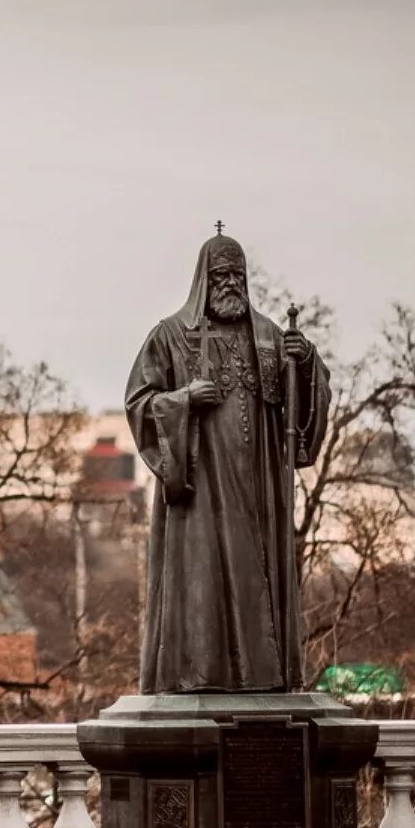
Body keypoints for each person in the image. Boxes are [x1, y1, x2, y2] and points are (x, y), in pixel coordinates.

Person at [125, 232, 327, 694]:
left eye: (238, 275)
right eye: (221, 276)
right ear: (203, 280)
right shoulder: (171, 335)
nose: (231, 284)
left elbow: (301, 410)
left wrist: (307, 362)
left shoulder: (270, 338)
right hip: (202, 495)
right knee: (202, 585)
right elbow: (140, 402)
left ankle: (263, 677)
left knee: (260, 581)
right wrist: (183, 400)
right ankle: (198, 675)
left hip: (258, 494)